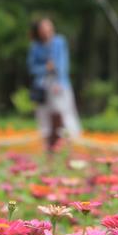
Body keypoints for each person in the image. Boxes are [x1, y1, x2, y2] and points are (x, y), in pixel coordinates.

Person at [27, 17, 81, 146]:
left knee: (64, 112)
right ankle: (48, 145)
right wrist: (45, 68)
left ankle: (69, 142)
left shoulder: (59, 42)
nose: (47, 30)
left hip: (59, 85)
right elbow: (31, 68)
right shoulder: (35, 46)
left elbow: (63, 63)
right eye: (43, 28)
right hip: (42, 86)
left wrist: (59, 82)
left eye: (48, 27)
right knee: (43, 115)